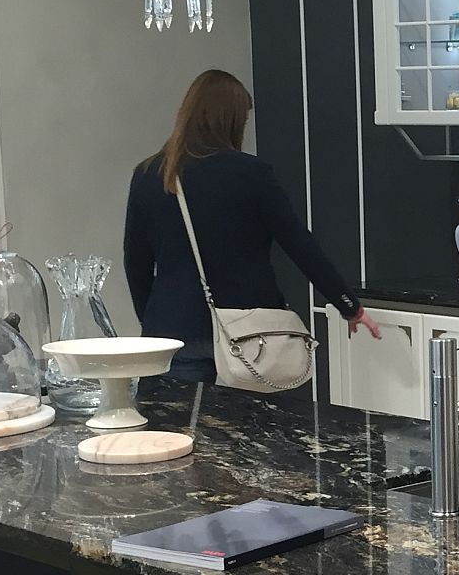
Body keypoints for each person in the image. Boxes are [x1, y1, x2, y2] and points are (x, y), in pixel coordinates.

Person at [124, 69, 377, 385]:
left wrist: (155, 320)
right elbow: (301, 246)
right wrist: (348, 306)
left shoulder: (149, 175)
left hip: (172, 333)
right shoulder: (250, 174)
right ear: (231, 122)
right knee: (248, 430)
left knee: (178, 432)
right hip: (248, 335)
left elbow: (136, 264)